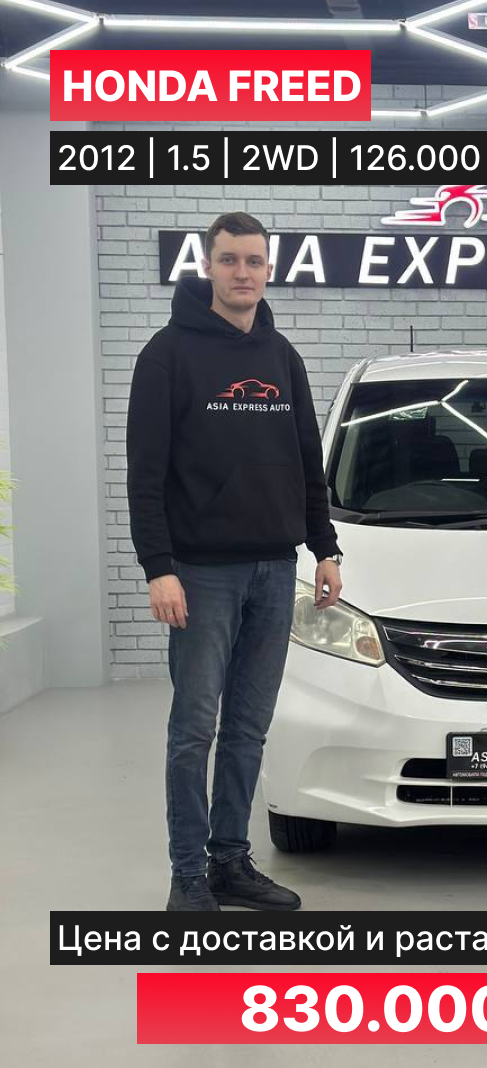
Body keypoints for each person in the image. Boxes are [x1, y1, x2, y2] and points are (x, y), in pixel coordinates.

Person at [127, 212, 343, 912]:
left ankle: (230, 862)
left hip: (275, 570)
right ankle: (187, 876)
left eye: (253, 261)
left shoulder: (282, 356)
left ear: (268, 269)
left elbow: (307, 462)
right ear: (209, 266)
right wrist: (159, 567)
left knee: (249, 729)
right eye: (229, 260)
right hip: (200, 574)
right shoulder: (166, 354)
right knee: (194, 731)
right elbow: (144, 474)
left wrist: (325, 547)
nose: (242, 272)